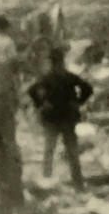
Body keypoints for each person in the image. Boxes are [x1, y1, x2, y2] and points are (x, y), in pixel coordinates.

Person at [30, 46, 94, 186]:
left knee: (50, 150)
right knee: (71, 151)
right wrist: (77, 102)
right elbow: (88, 89)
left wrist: (41, 104)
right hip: (66, 117)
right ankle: (77, 181)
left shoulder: (47, 78)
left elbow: (32, 91)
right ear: (61, 61)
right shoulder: (68, 77)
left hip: (52, 117)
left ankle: (47, 180)